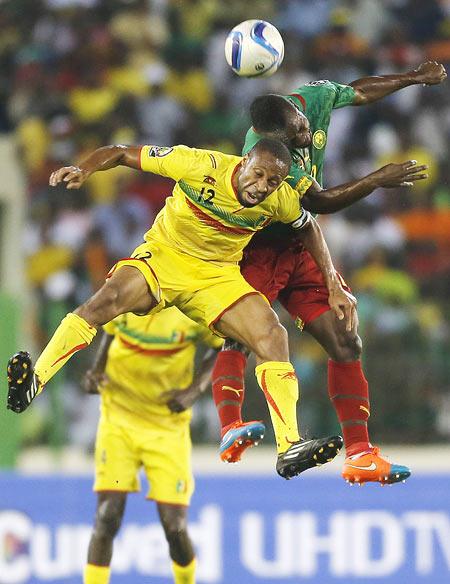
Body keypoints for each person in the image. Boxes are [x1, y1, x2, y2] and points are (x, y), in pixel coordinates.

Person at [7, 138, 357, 479]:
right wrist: (83, 169)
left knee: (272, 334)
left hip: (216, 276)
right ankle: (34, 383)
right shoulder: (198, 164)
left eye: (273, 181)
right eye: (259, 173)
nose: (262, 186)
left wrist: (331, 282)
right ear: (245, 159)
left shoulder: (279, 199)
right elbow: (119, 154)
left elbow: (308, 226)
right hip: (165, 257)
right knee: (103, 302)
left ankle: (289, 446)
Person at [213, 61, 446, 485]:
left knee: (345, 337)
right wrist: (376, 179)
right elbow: (319, 203)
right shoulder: (265, 151)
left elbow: (358, 91)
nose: (305, 135)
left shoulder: (312, 99)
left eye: (302, 126)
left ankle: (359, 454)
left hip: (301, 244)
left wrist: (410, 77)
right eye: (295, 136)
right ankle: (230, 427)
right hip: (258, 245)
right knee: (244, 336)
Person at [82, 306, 222, 584]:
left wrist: (194, 390)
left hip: (166, 426)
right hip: (118, 416)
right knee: (107, 515)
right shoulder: (129, 285)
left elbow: (225, 345)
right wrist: (96, 370)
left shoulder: (191, 304)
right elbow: (110, 331)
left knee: (175, 527)